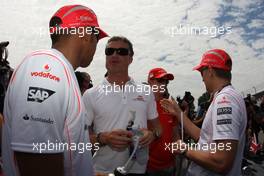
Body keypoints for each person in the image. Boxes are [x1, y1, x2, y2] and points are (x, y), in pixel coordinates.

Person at [2, 4, 108, 176]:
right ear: (87, 36)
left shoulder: (59, 70)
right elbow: (36, 163)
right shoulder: (48, 68)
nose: (96, 47)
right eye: (97, 39)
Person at [161, 49, 247, 175]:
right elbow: (205, 138)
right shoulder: (228, 96)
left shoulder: (224, 100)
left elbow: (221, 162)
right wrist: (179, 113)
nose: (202, 79)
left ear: (210, 71)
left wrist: (185, 149)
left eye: (202, 72)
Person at [83, 36, 161, 175]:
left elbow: (158, 128)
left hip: (138, 171)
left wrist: (152, 135)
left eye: (122, 52)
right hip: (101, 171)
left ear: (130, 59)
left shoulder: (145, 91)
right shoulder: (90, 94)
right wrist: (104, 138)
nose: (114, 55)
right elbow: (80, 138)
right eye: (110, 51)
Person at [146, 68, 179, 176]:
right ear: (150, 82)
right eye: (160, 81)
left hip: (169, 166)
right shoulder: (142, 105)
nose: (164, 84)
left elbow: (175, 134)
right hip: (148, 167)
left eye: (166, 81)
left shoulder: (170, 106)